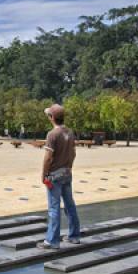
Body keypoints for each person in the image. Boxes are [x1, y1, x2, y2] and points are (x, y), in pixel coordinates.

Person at [37, 103, 80, 250]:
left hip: (54, 175)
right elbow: (73, 153)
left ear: (52, 117)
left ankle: (52, 241)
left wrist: (44, 175)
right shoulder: (70, 132)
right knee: (70, 205)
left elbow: (48, 158)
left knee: (54, 208)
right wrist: (69, 167)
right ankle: (74, 236)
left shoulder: (52, 134)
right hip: (67, 173)